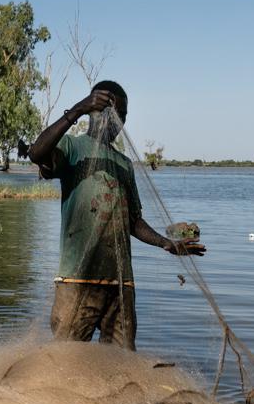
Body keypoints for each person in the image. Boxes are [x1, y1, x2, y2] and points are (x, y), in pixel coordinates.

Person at [28, 80, 205, 349]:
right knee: (66, 362)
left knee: (123, 362)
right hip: (78, 281)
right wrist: (76, 109)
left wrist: (167, 243)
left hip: (121, 285)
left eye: (122, 116)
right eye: (112, 112)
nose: (117, 121)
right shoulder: (73, 148)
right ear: (95, 112)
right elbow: (36, 152)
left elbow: (133, 221)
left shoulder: (124, 164)